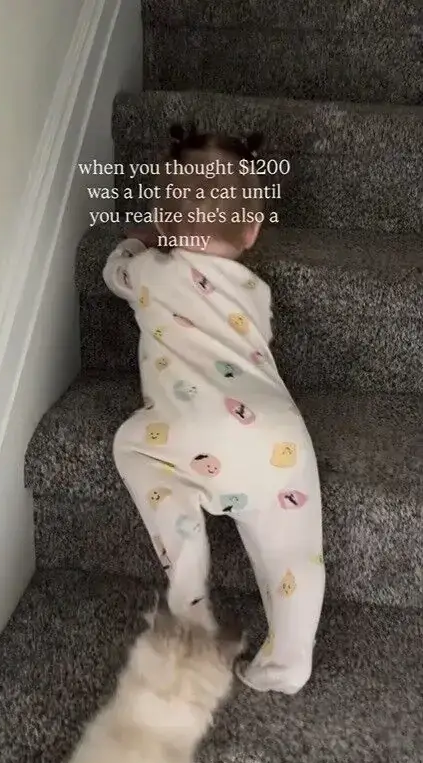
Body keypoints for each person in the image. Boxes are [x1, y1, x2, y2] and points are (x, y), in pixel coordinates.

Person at [102, 125, 325, 694]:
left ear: (163, 224)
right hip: (276, 434)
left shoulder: (147, 271)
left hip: (189, 430)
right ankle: (289, 659)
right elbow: (260, 336)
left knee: (133, 447)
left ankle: (190, 594)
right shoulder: (256, 292)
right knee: (292, 550)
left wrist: (136, 245)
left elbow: (113, 271)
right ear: (251, 232)